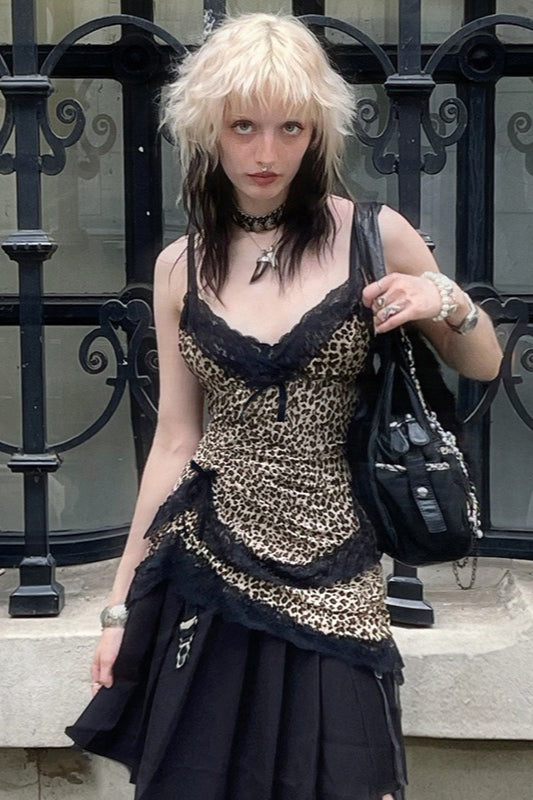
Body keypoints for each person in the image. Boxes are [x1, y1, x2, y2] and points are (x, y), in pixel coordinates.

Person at [66, 13, 502, 800]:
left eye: (288, 128)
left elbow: (483, 363)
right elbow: (174, 440)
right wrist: (119, 607)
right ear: (209, 129)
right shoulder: (179, 266)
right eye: (243, 126)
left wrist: (443, 299)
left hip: (337, 568)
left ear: (315, 133)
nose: (265, 152)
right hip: (206, 562)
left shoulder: (374, 235)